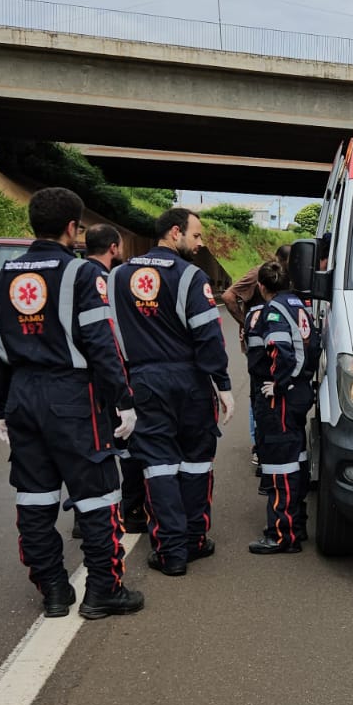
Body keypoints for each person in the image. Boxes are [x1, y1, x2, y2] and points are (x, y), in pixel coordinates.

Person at [0, 188, 143, 620]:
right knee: (97, 496)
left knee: (34, 498)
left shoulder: (1, 277)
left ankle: (53, 590)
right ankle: (103, 591)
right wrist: (123, 400)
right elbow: (102, 344)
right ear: (74, 228)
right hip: (73, 398)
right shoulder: (80, 275)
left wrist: (2, 408)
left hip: (21, 396)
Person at [111, 208, 235, 577]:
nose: (200, 244)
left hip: (143, 381)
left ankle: (170, 552)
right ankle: (195, 539)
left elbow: (108, 337)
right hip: (190, 380)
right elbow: (208, 334)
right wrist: (222, 383)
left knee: (158, 465)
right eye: (196, 236)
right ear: (175, 232)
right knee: (196, 460)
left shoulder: (118, 276)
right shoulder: (190, 277)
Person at [245, 260, 318, 554]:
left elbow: (282, 350)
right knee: (296, 458)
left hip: (281, 397)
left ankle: (280, 534)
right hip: (299, 393)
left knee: (279, 462)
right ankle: (296, 525)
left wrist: (278, 383)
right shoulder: (299, 305)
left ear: (262, 287)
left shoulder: (273, 310)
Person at [81, 223, 148, 537]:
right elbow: (111, 340)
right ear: (114, 248)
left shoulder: (72, 279)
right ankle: (133, 512)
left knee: (89, 449)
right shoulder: (112, 283)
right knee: (130, 445)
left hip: (79, 381)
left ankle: (86, 519)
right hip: (116, 374)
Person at [220, 244, 292, 481]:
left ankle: (271, 439)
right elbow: (228, 295)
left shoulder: (287, 276)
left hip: (278, 343)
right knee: (258, 393)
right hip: (258, 348)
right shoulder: (257, 274)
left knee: (275, 389)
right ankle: (258, 446)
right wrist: (245, 323)